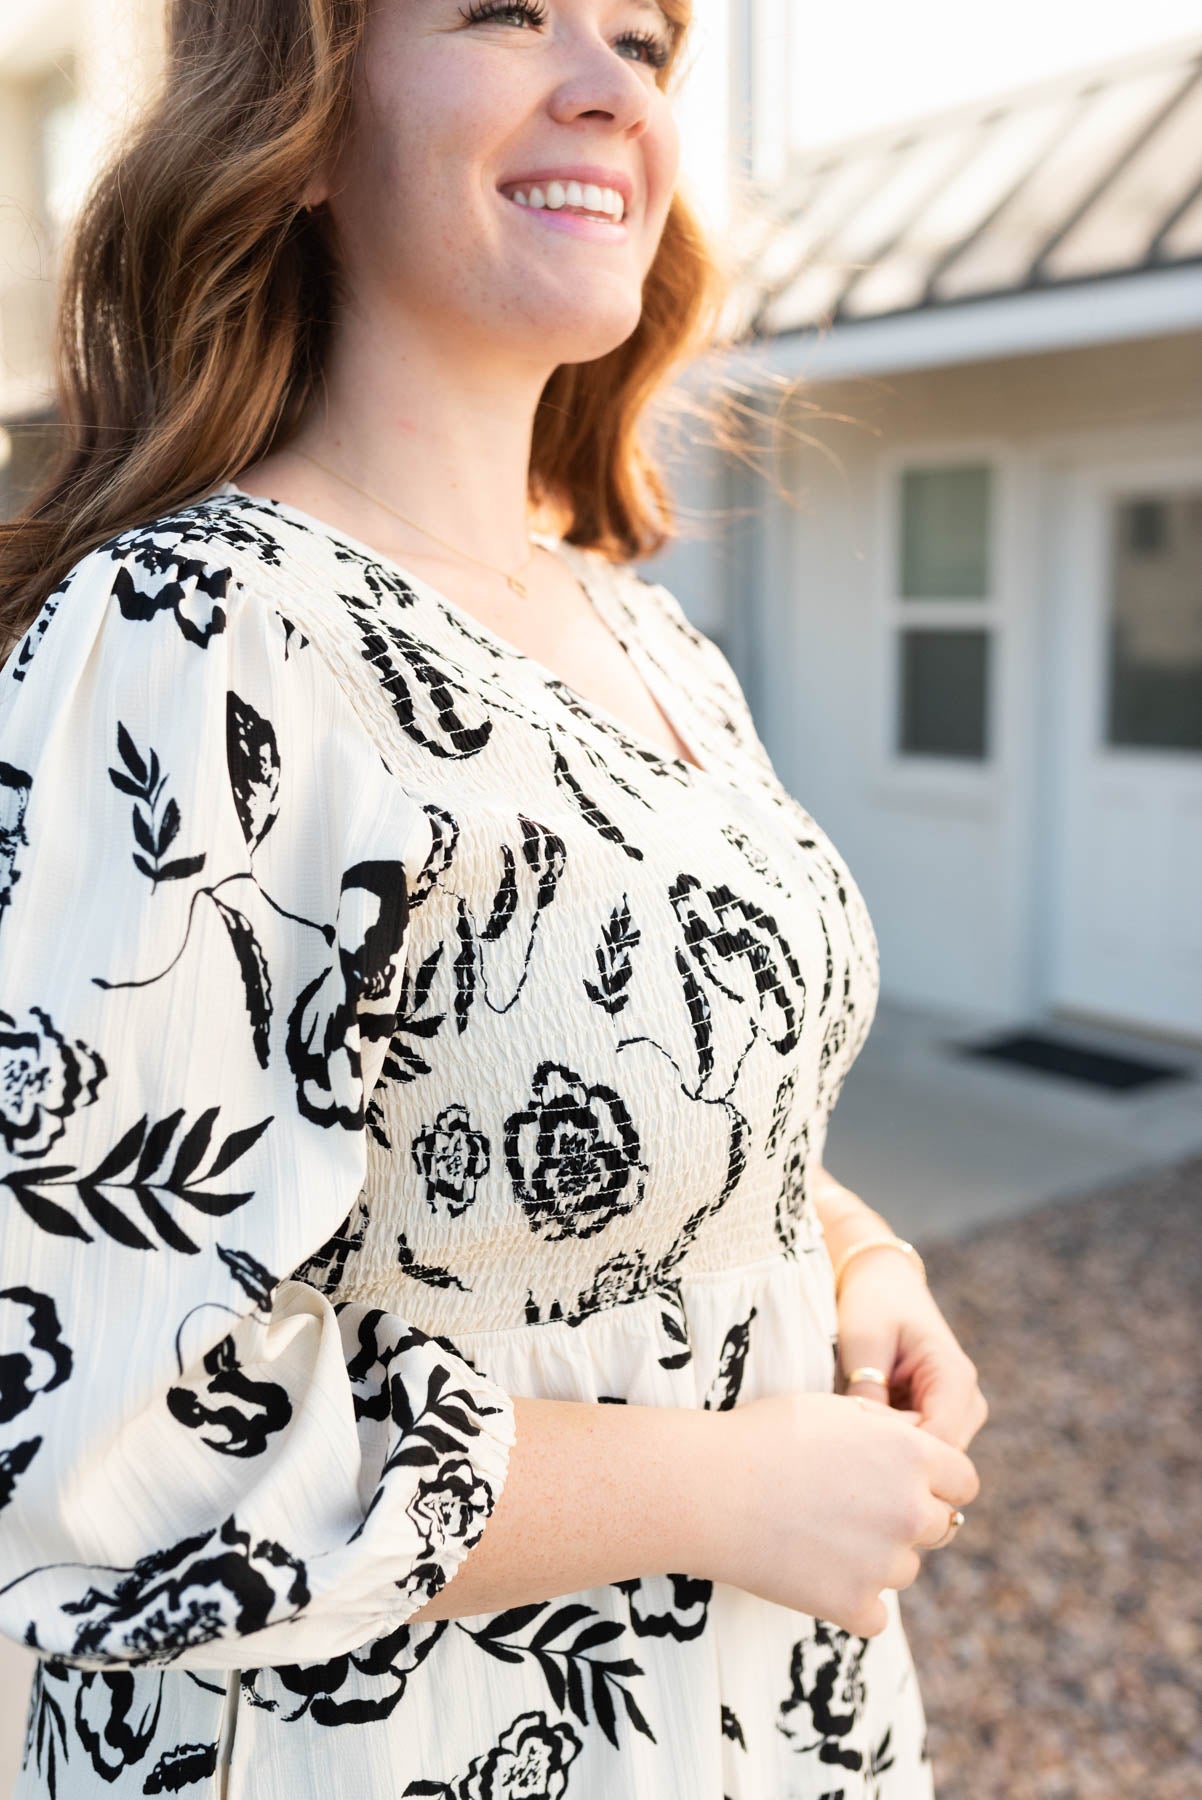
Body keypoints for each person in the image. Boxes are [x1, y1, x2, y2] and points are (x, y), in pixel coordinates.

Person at [0, 0, 987, 1793]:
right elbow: (92, 1443)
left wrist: (852, 1254)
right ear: (299, 113)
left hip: (759, 1724)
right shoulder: (194, 639)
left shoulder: (641, 632)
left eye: (647, 39)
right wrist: (718, 1488)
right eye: (510, 11)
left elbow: (663, 1073)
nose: (609, 89)